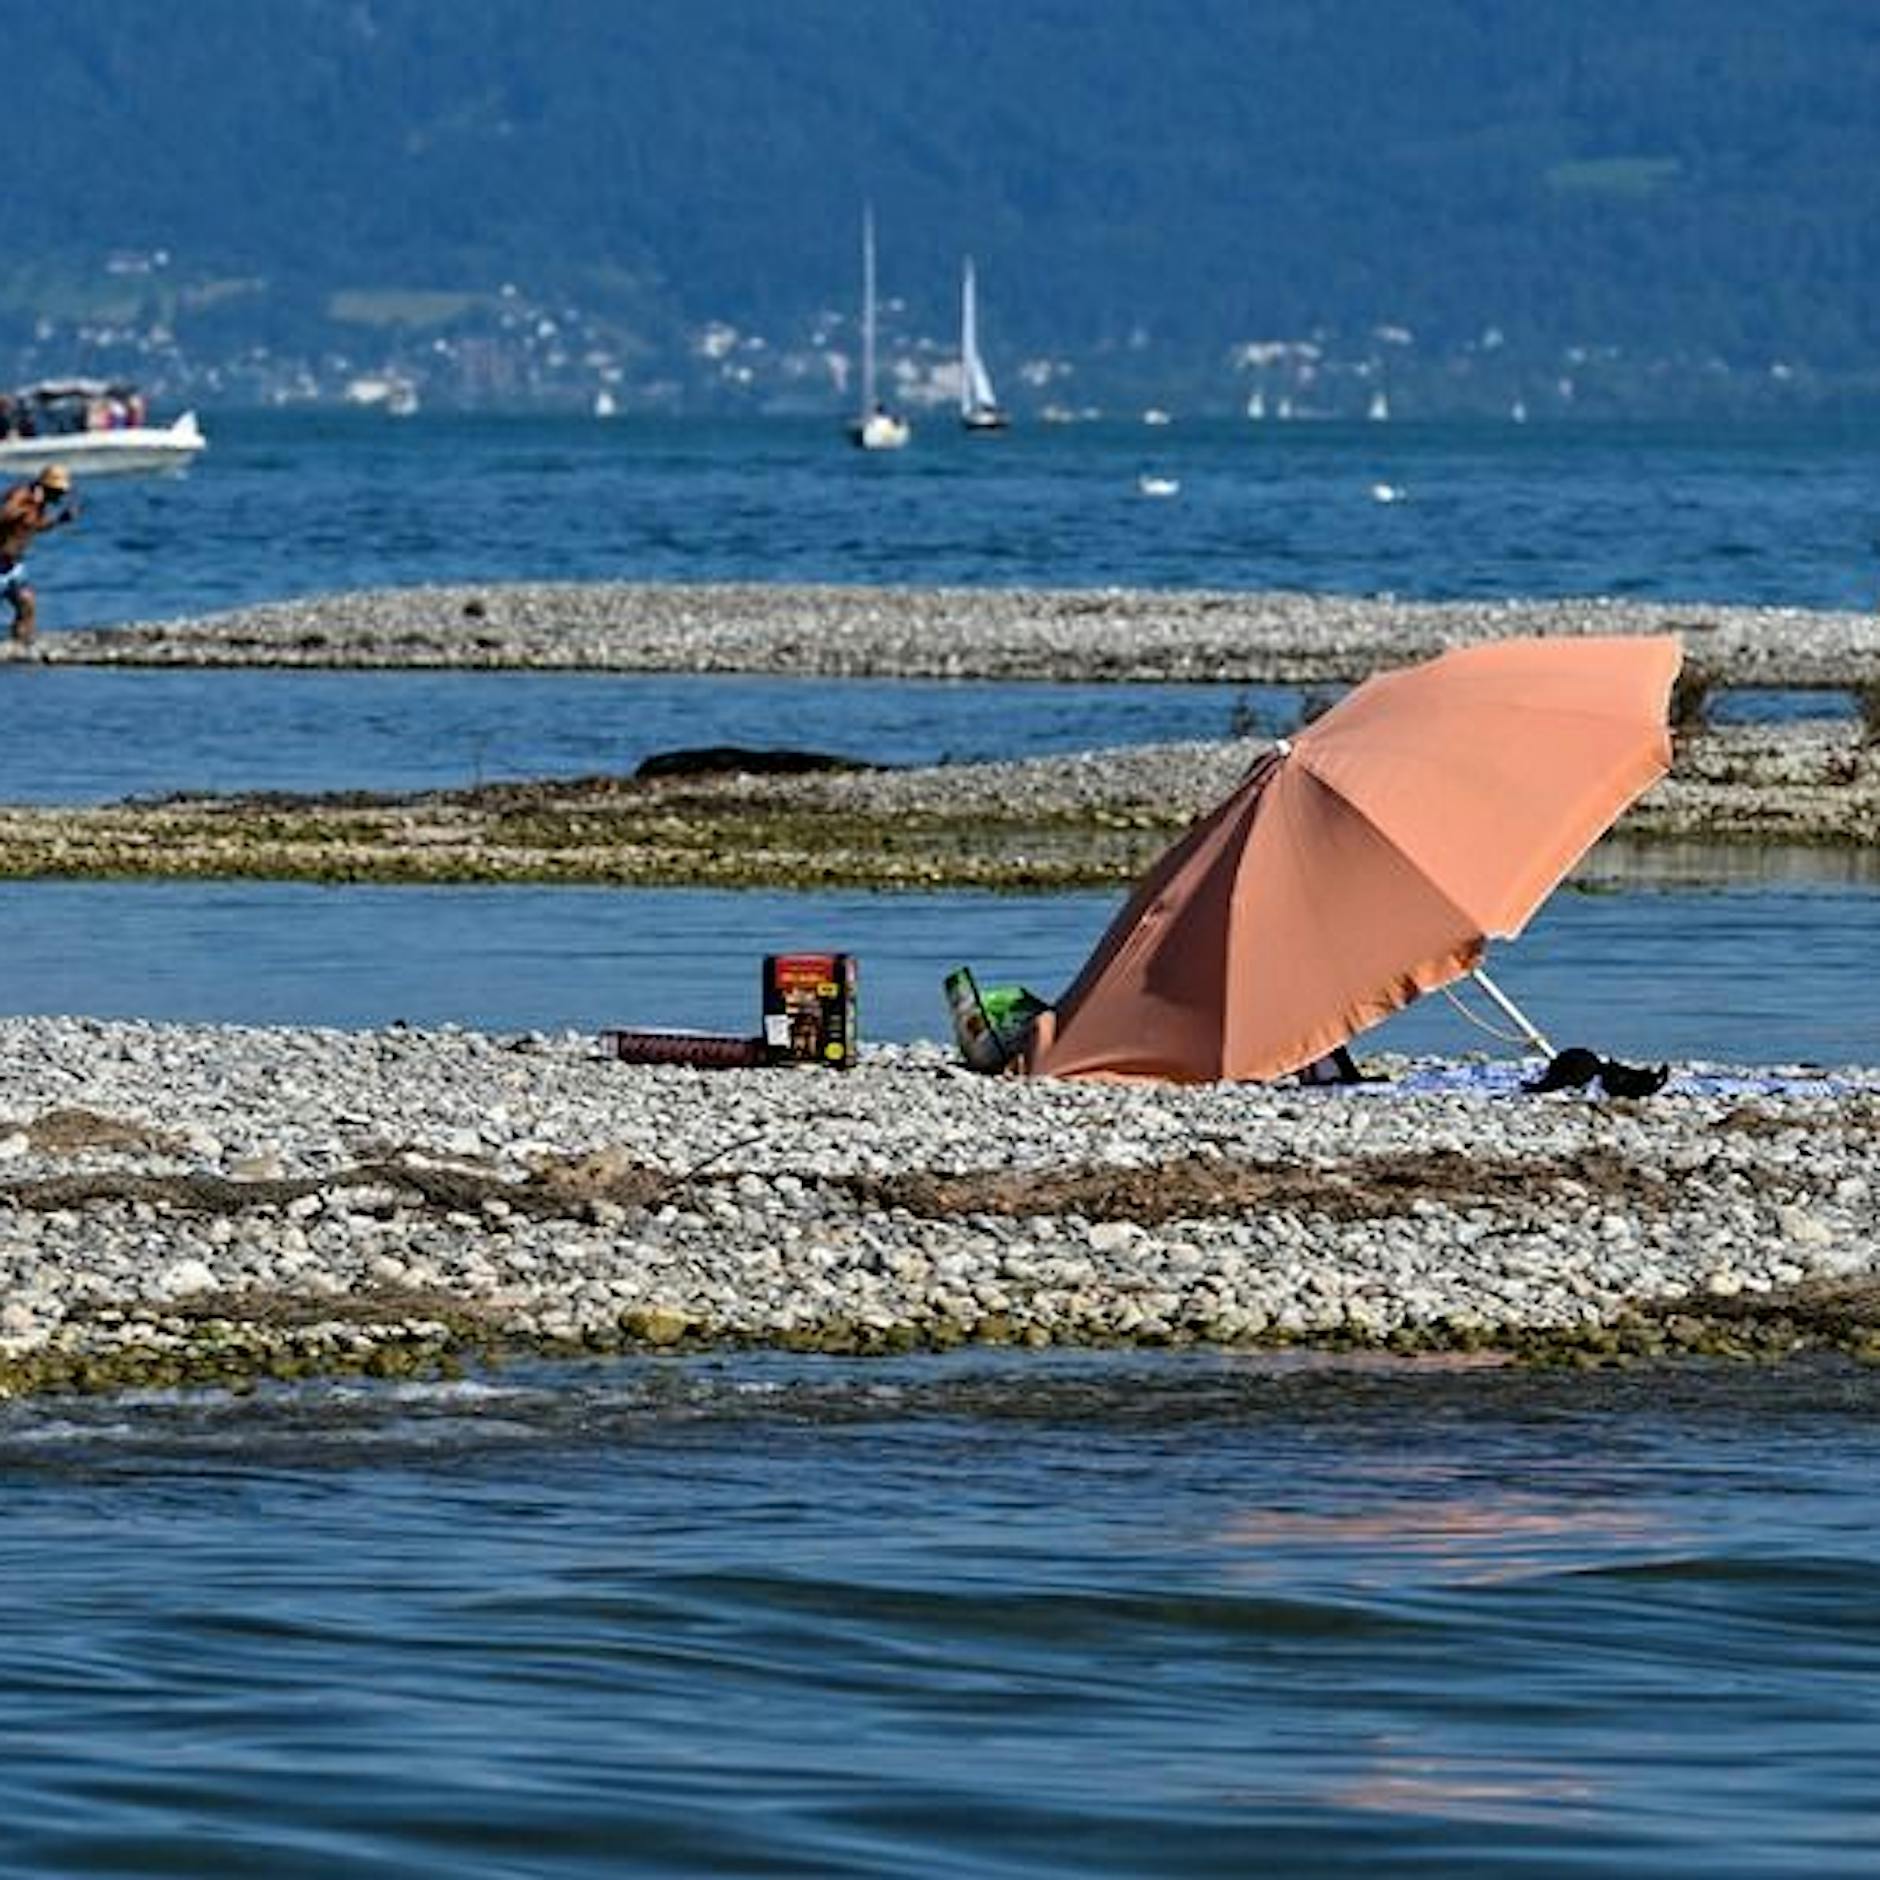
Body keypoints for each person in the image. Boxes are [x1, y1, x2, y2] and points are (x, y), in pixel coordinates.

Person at [0, 463, 79, 646]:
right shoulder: (22, 495)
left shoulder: (40, 503)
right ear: (46, 487)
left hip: (14, 566)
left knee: (27, 605)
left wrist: (59, 520)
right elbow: (4, 515)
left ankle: (19, 648)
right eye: (58, 492)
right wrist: (29, 505)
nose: (61, 496)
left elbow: (33, 526)